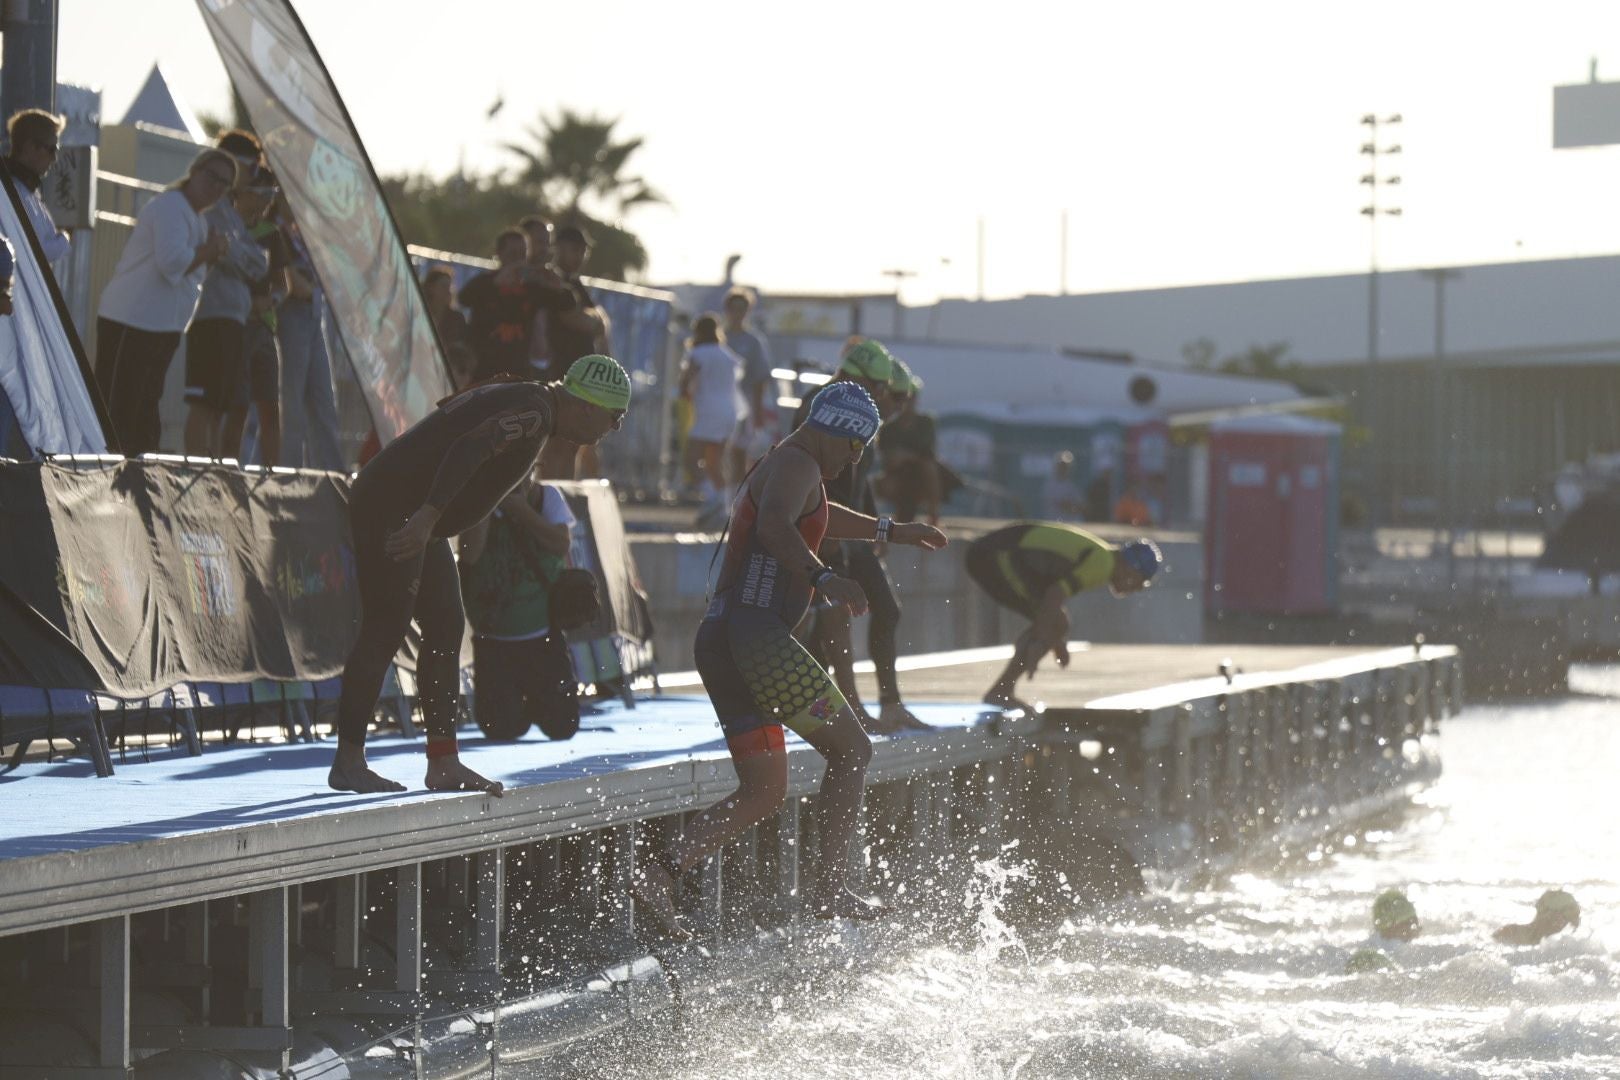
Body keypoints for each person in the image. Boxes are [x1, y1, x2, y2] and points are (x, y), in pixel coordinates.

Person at [630, 382, 947, 937]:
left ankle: (657, 874)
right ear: (838, 433)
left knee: (763, 790)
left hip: (723, 640)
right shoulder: (800, 463)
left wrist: (890, 530)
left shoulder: (789, 463)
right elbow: (778, 523)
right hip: (759, 642)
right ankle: (830, 888)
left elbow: (813, 516)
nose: (856, 458)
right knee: (851, 750)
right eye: (856, 446)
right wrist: (823, 576)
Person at [328, 355, 631, 796]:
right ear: (587, 405)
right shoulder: (534, 412)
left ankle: (443, 762)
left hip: (412, 509)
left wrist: (433, 518)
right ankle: (349, 762)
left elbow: (454, 420)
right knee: (385, 628)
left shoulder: (532, 401)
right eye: (614, 417)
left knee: (447, 626)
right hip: (397, 509)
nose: (614, 429)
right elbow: (469, 446)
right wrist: (429, 518)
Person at [795, 339, 928, 734]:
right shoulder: (827, 409)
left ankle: (881, 705)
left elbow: (860, 478)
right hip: (826, 530)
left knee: (881, 608)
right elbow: (813, 478)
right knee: (826, 623)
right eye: (892, 394)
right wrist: (827, 535)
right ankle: (842, 710)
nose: (895, 403)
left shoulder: (863, 414)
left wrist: (877, 524)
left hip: (848, 528)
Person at [95, 149, 236, 454]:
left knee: (145, 407)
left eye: (224, 184)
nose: (216, 187)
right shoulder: (172, 206)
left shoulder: (196, 218)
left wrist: (210, 253)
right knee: (117, 411)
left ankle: (136, 480)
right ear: (195, 170)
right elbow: (172, 262)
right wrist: (209, 251)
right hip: (131, 321)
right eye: (211, 176)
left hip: (161, 326)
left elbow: (190, 272)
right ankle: (108, 480)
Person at [967, 523, 1162, 709]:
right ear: (1131, 568)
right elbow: (1054, 595)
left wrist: (1053, 640)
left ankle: (1002, 689)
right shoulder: (1103, 564)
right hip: (995, 557)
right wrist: (1043, 640)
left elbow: (1051, 602)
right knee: (1054, 624)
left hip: (996, 553)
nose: (1136, 589)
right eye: (1139, 582)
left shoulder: (1103, 555)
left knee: (1056, 624)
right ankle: (1000, 692)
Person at [459, 472, 581, 742]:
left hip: (542, 635)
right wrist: (488, 503)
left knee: (563, 726)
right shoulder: (481, 499)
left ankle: (539, 701)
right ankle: (518, 704)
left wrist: (521, 510)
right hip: (493, 638)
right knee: (500, 728)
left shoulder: (545, 497)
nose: (517, 484)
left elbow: (561, 544)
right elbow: (469, 554)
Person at [183, 140, 270, 459]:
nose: (253, 175)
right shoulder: (211, 209)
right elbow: (230, 253)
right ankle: (197, 467)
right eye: (252, 167)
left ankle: (212, 469)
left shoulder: (231, 215)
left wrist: (234, 252)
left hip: (233, 319)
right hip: (210, 316)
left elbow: (259, 264)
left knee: (222, 406)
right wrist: (236, 253)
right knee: (203, 403)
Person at [539, 224, 612, 479]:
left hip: (579, 377)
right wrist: (596, 321)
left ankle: (567, 501)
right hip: (560, 373)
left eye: (582, 250)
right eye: (574, 249)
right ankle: (553, 501)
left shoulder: (576, 284)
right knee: (557, 445)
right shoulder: (554, 281)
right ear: (557, 248)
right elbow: (581, 320)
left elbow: (598, 322)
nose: (579, 256)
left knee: (574, 446)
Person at [459, 228, 572, 382]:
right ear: (499, 253)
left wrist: (558, 286)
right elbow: (463, 299)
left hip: (517, 371)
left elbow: (567, 305)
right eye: (513, 254)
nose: (518, 260)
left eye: (522, 254)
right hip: (482, 369)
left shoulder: (533, 288)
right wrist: (495, 284)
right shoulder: (486, 281)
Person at [276, 215, 344, 470]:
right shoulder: (277, 230)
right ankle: (287, 470)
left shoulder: (302, 232)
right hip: (292, 314)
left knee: (324, 400)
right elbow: (295, 285)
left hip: (315, 314)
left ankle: (331, 471)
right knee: (291, 402)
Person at [679, 313, 746, 526]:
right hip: (730, 411)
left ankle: (713, 499)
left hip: (709, 410)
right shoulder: (727, 355)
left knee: (691, 460)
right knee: (715, 463)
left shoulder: (697, 352)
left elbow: (685, 383)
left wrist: (687, 395)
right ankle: (723, 509)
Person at [874, 359, 945, 525]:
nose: (909, 402)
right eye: (905, 397)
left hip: (921, 474)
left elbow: (927, 453)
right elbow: (888, 459)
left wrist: (905, 455)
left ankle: (933, 518)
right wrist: (905, 457)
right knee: (882, 485)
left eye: (912, 397)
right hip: (897, 475)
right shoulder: (888, 427)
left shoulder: (926, 422)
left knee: (929, 469)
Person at [2, 109, 70, 272]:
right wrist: (65, 239)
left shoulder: (26, 191)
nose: (54, 159)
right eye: (51, 149)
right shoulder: (13, 193)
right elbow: (38, 252)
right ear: (30, 147)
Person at [720, 287, 775, 471]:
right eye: (733, 308)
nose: (737, 313)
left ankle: (736, 493)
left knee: (739, 451)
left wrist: (758, 411)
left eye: (742, 308)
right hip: (719, 401)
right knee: (716, 449)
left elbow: (760, 378)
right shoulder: (719, 338)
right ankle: (716, 493)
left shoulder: (753, 341)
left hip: (744, 404)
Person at [422, 267, 475, 388]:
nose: (448, 291)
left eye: (450, 287)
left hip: (447, 372)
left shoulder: (456, 318)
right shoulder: (421, 313)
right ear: (431, 288)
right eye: (443, 286)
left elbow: (462, 348)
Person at [1493, 889, 1580, 946]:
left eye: (1567, 921)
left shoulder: (1559, 947)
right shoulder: (1509, 932)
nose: (1561, 924)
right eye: (1560, 918)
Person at [1042, 451, 1085, 521]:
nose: (1063, 468)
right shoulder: (1049, 486)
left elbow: (1081, 506)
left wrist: (1074, 507)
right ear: (1056, 466)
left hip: (1071, 525)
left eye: (1066, 466)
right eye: (1061, 465)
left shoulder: (1072, 486)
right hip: (1053, 525)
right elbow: (1062, 505)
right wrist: (1070, 506)